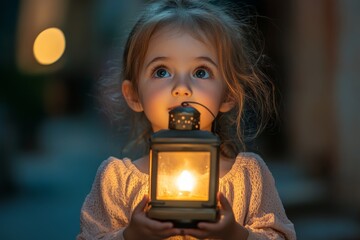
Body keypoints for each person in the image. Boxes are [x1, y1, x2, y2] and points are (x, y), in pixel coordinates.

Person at [77, 0, 296, 239]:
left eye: (201, 72)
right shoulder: (116, 181)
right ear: (134, 95)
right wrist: (130, 235)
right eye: (162, 71)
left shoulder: (248, 177)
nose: (182, 88)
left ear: (228, 94)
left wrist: (237, 234)